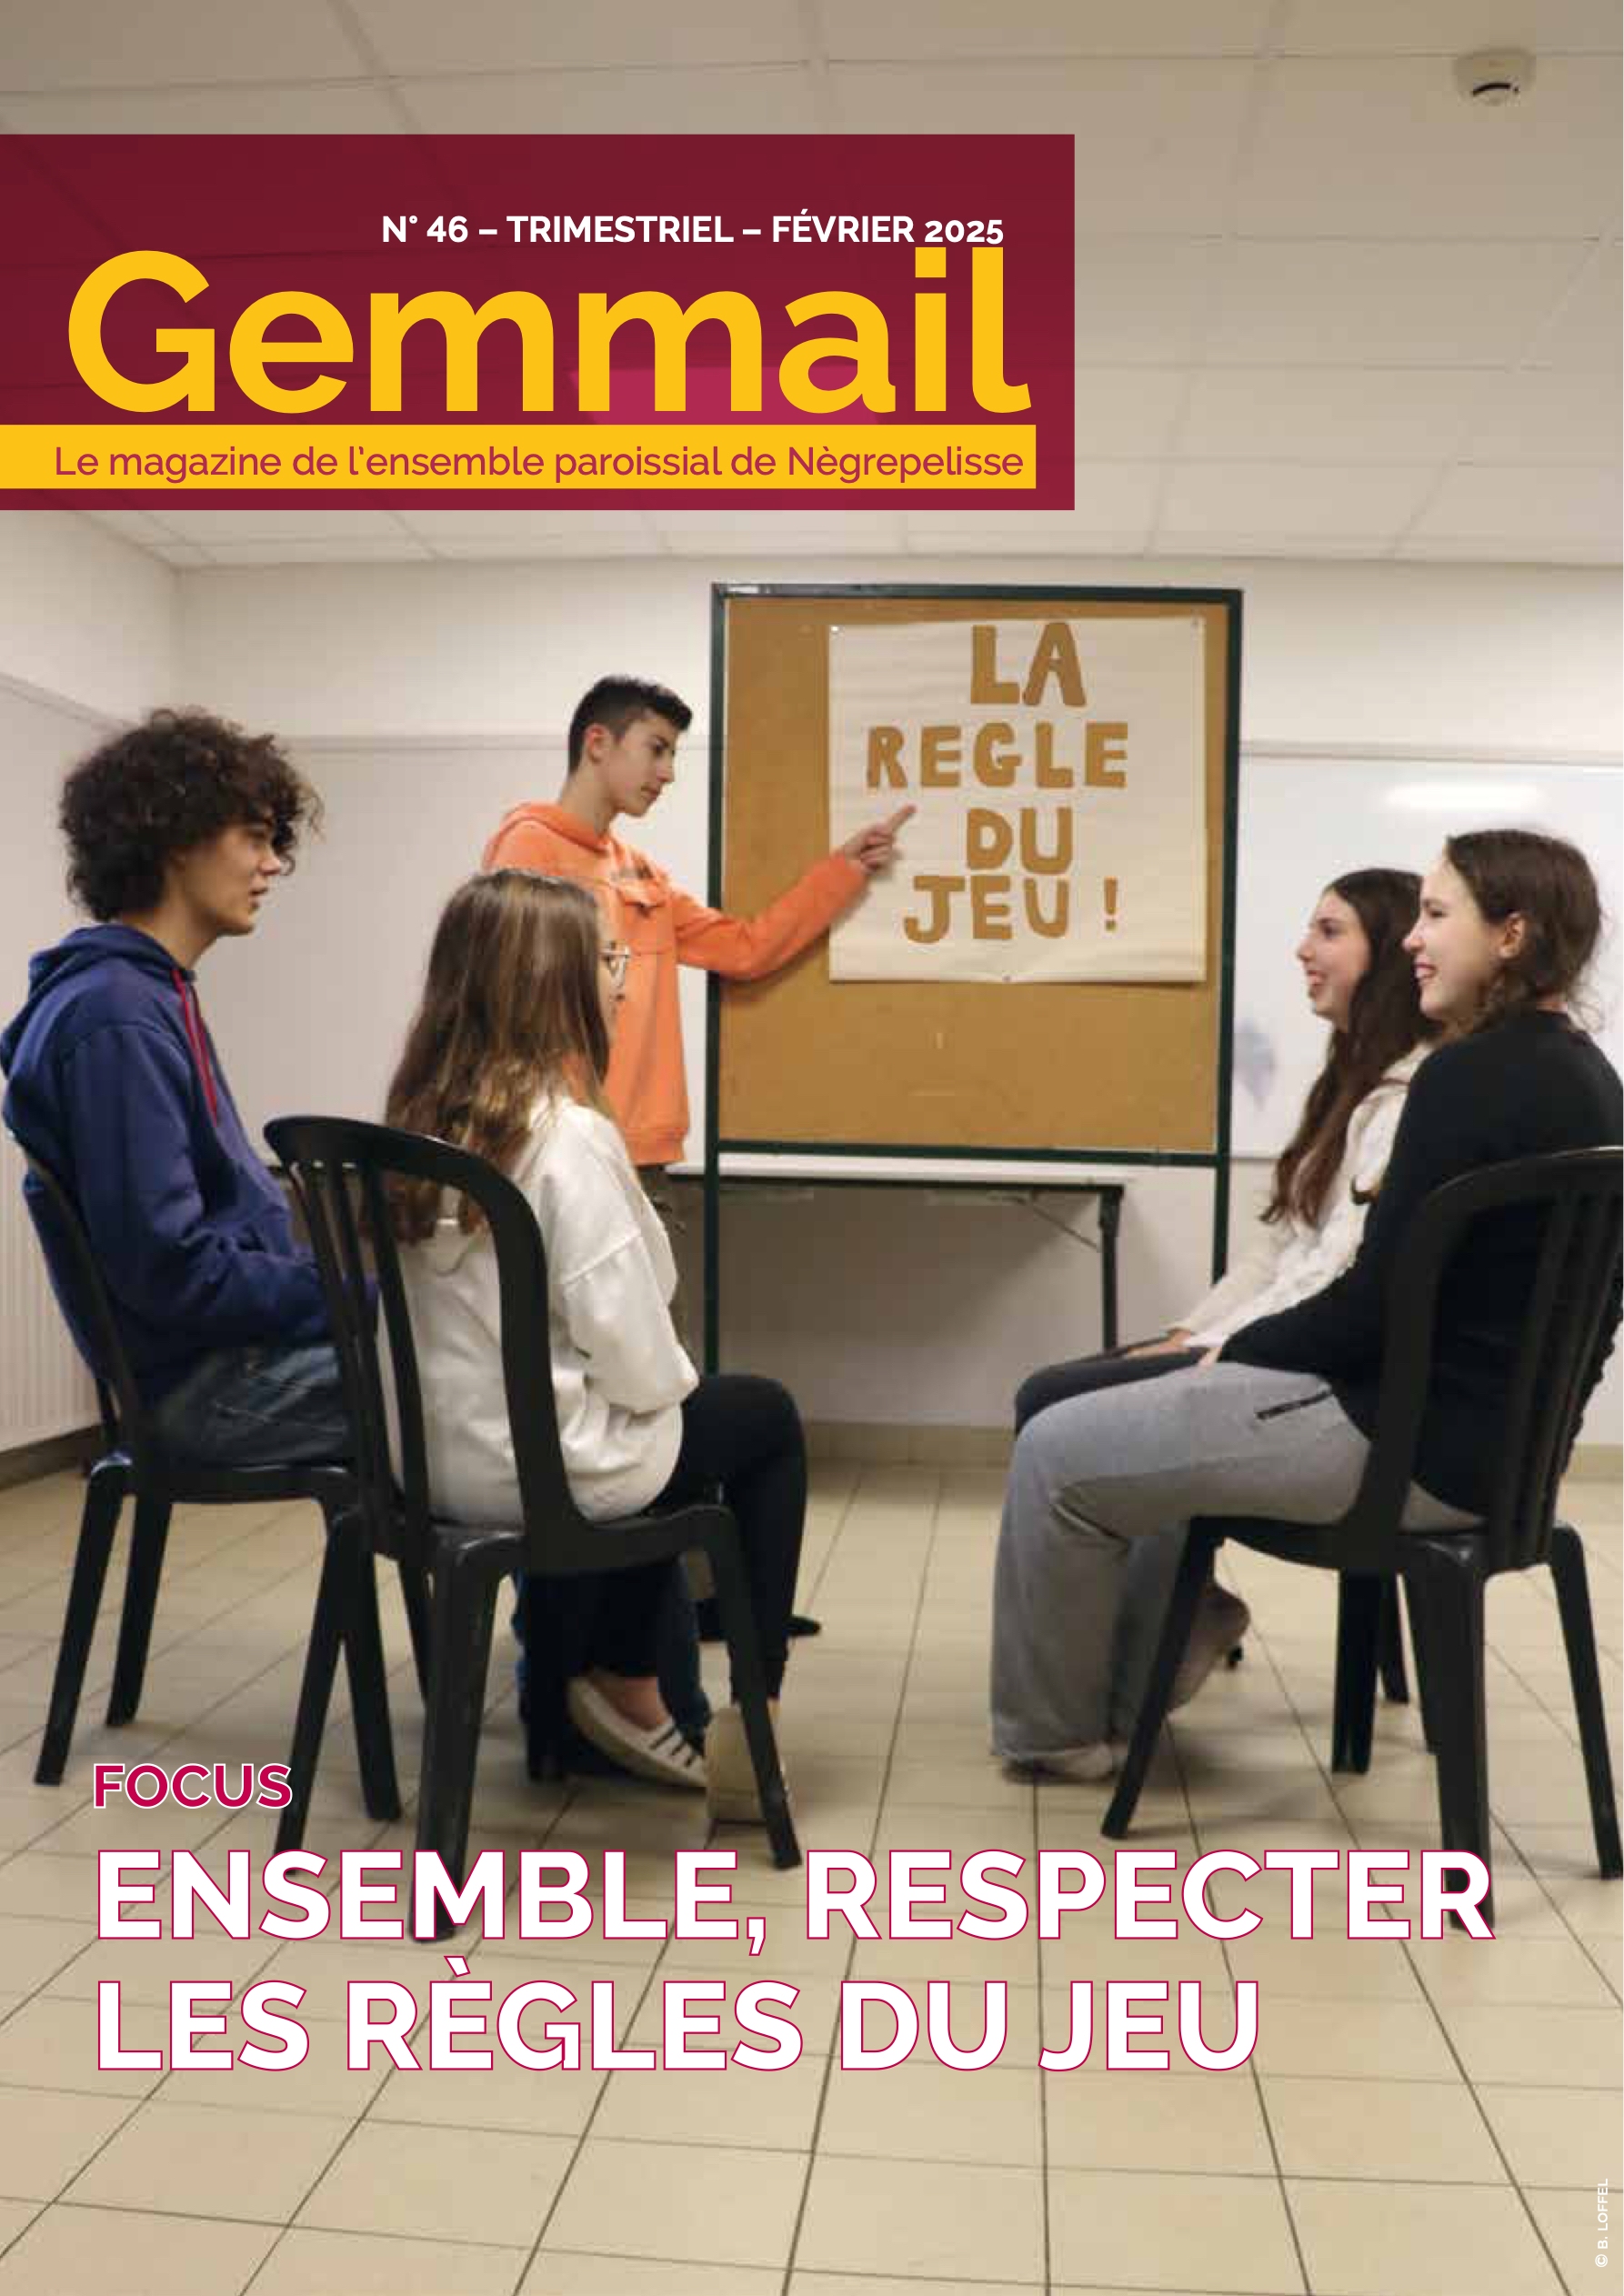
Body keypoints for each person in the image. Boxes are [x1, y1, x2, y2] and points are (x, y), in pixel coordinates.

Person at [992, 828, 1619, 1780]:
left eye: (1436, 914)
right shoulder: (1590, 1079)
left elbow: (1370, 1303)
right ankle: (1126, 1697)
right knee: (1138, 1425)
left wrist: (1237, 1351)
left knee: (1056, 1448)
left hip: (1397, 1445)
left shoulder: (1462, 1076)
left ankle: (1056, 1738)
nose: (1414, 938)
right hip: (1498, 1462)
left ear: (1511, 934)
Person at [384, 869, 807, 1820]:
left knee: (657, 1422)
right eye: (609, 958)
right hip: (541, 1474)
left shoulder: (412, 1125)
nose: (623, 979)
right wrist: (665, 1381)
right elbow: (642, 1363)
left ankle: (602, 1685)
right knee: (756, 1418)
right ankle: (751, 1711)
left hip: (424, 1468)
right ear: (556, 983)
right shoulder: (566, 1139)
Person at [1011, 868, 1433, 1711]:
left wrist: (1220, 1345)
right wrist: (1189, 1331)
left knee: (1054, 1401)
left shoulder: (1407, 1098)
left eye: (1329, 931)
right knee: (1068, 1389)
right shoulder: (1344, 1083)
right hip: (1264, 1336)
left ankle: (1132, 1653)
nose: (1302, 950)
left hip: (1303, 1368)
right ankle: (1161, 1625)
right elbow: (1275, 1250)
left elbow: (1331, 1278)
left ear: (1386, 953)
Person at [0, 708, 344, 1466]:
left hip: (225, 1362)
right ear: (179, 838)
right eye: (254, 837)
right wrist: (350, 1300)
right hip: (206, 1389)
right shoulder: (116, 1016)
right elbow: (170, 1271)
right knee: (476, 1389)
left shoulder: (147, 994)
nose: (273, 864)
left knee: (461, 1374)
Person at [482, 673, 912, 1169]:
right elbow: (504, 1007)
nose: (667, 773)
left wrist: (845, 870)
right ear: (597, 743)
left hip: (642, 1152)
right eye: (656, 749)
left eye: (672, 755)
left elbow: (746, 949)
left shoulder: (642, 874)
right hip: (557, 1145)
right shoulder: (527, 846)